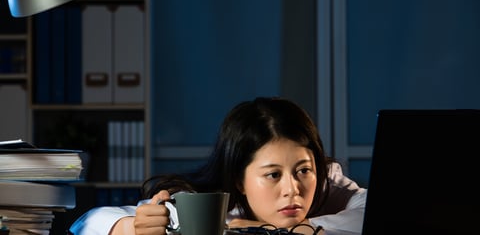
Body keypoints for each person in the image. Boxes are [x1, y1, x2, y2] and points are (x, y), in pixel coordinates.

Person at [69, 97, 367, 235]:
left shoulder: (329, 182)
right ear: (239, 179)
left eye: (303, 170)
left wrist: (272, 231)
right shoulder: (204, 206)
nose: (293, 189)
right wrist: (130, 229)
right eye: (273, 175)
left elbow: (379, 214)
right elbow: (87, 223)